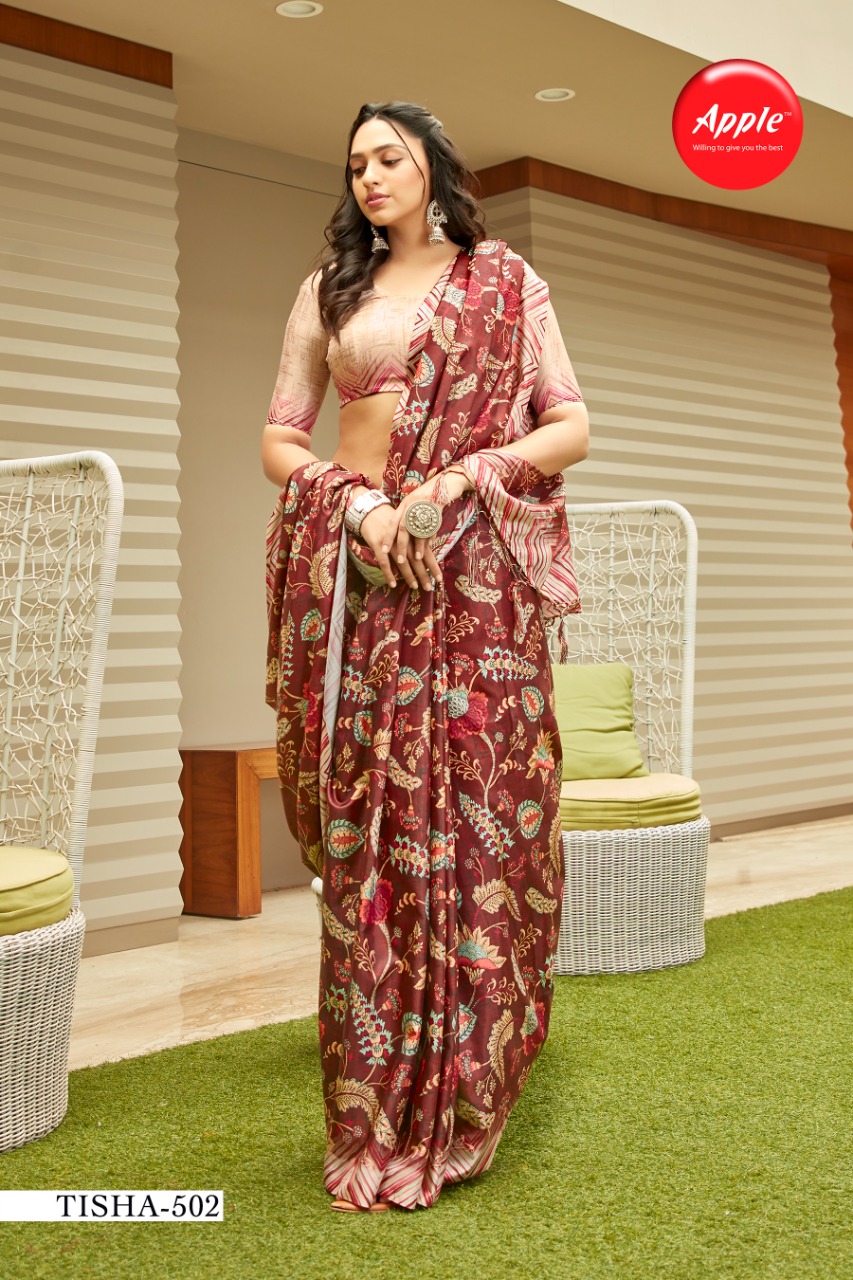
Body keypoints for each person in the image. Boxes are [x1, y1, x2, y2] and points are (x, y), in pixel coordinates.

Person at [263, 101, 589, 1213]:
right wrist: (355, 506)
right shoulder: (329, 290)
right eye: (355, 162)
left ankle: (466, 1096)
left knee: (481, 815)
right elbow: (280, 437)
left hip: (472, 575)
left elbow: (569, 425)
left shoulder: (504, 282)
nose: (368, 177)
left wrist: (457, 480)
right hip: (362, 571)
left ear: (433, 169)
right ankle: (374, 1106)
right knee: (371, 828)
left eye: (388, 158)